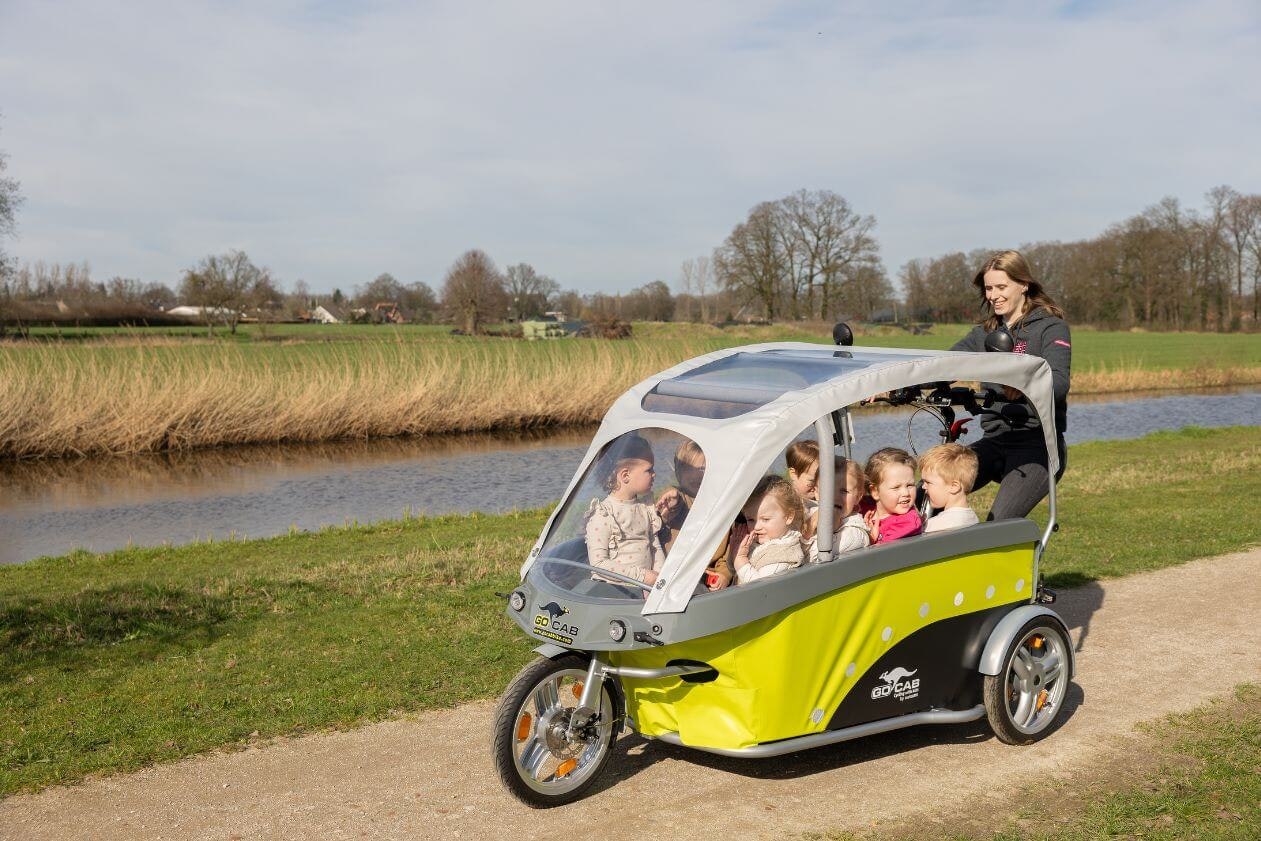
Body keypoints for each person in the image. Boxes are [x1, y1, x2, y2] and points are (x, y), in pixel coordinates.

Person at [951, 250, 1071, 520]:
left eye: (1001, 287)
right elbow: (946, 364)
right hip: (993, 440)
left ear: (1024, 284)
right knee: (928, 493)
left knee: (998, 522)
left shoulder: (1050, 328)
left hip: (1037, 444)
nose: (993, 295)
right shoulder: (985, 332)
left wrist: (1027, 384)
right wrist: (889, 385)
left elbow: (1060, 383)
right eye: (989, 288)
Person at [584, 434, 666, 585]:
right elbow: (599, 564)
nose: (654, 474)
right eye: (649, 470)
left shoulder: (644, 508)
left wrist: (660, 576)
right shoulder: (603, 514)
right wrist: (642, 576)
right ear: (625, 475)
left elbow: (654, 546)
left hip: (645, 587)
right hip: (615, 592)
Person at [655, 440, 734, 590]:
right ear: (677, 472)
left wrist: (725, 573)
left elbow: (730, 547)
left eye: (702, 469)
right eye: (688, 468)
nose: (695, 474)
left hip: (710, 575)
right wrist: (671, 498)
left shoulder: (722, 504)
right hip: (674, 574)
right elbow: (673, 499)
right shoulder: (679, 499)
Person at [733, 479, 806, 584]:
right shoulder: (757, 543)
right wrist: (735, 553)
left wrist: (740, 560)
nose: (756, 527)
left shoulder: (784, 553)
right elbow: (736, 573)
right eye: (750, 520)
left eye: (765, 519)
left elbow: (760, 588)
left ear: (788, 516)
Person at [806, 456, 870, 562]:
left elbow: (816, 556)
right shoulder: (810, 513)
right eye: (828, 489)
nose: (835, 497)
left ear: (858, 497)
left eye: (844, 491)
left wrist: (809, 533)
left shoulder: (855, 531)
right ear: (816, 493)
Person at [863, 447, 923, 544]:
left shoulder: (908, 523)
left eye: (910, 485)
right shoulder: (862, 506)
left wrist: (869, 540)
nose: (906, 493)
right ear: (875, 491)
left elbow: (885, 554)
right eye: (896, 487)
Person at [919, 444, 981, 534]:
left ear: (954, 486)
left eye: (928, 482)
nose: (923, 486)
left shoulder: (934, 526)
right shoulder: (972, 518)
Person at [785, 440, 821, 515]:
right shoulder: (789, 505)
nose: (818, 486)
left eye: (823, 481)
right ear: (793, 474)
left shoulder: (821, 500)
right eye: (812, 481)